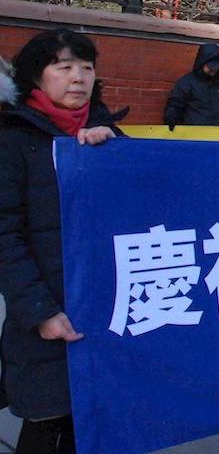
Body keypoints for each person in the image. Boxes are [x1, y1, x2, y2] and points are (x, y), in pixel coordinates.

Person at [0, 29, 124, 454]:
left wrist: (111, 149)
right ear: (36, 77)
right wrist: (40, 312)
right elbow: (4, 237)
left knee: (97, 424)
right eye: (64, 66)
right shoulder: (14, 139)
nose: (78, 77)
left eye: (86, 67)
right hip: (47, 317)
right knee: (50, 423)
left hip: (103, 311)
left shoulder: (107, 137)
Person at [163, 42, 219, 129]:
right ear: (201, 64)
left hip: (218, 134)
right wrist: (171, 120)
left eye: (217, 68)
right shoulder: (187, 82)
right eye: (210, 68)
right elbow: (175, 103)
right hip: (192, 134)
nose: (214, 71)